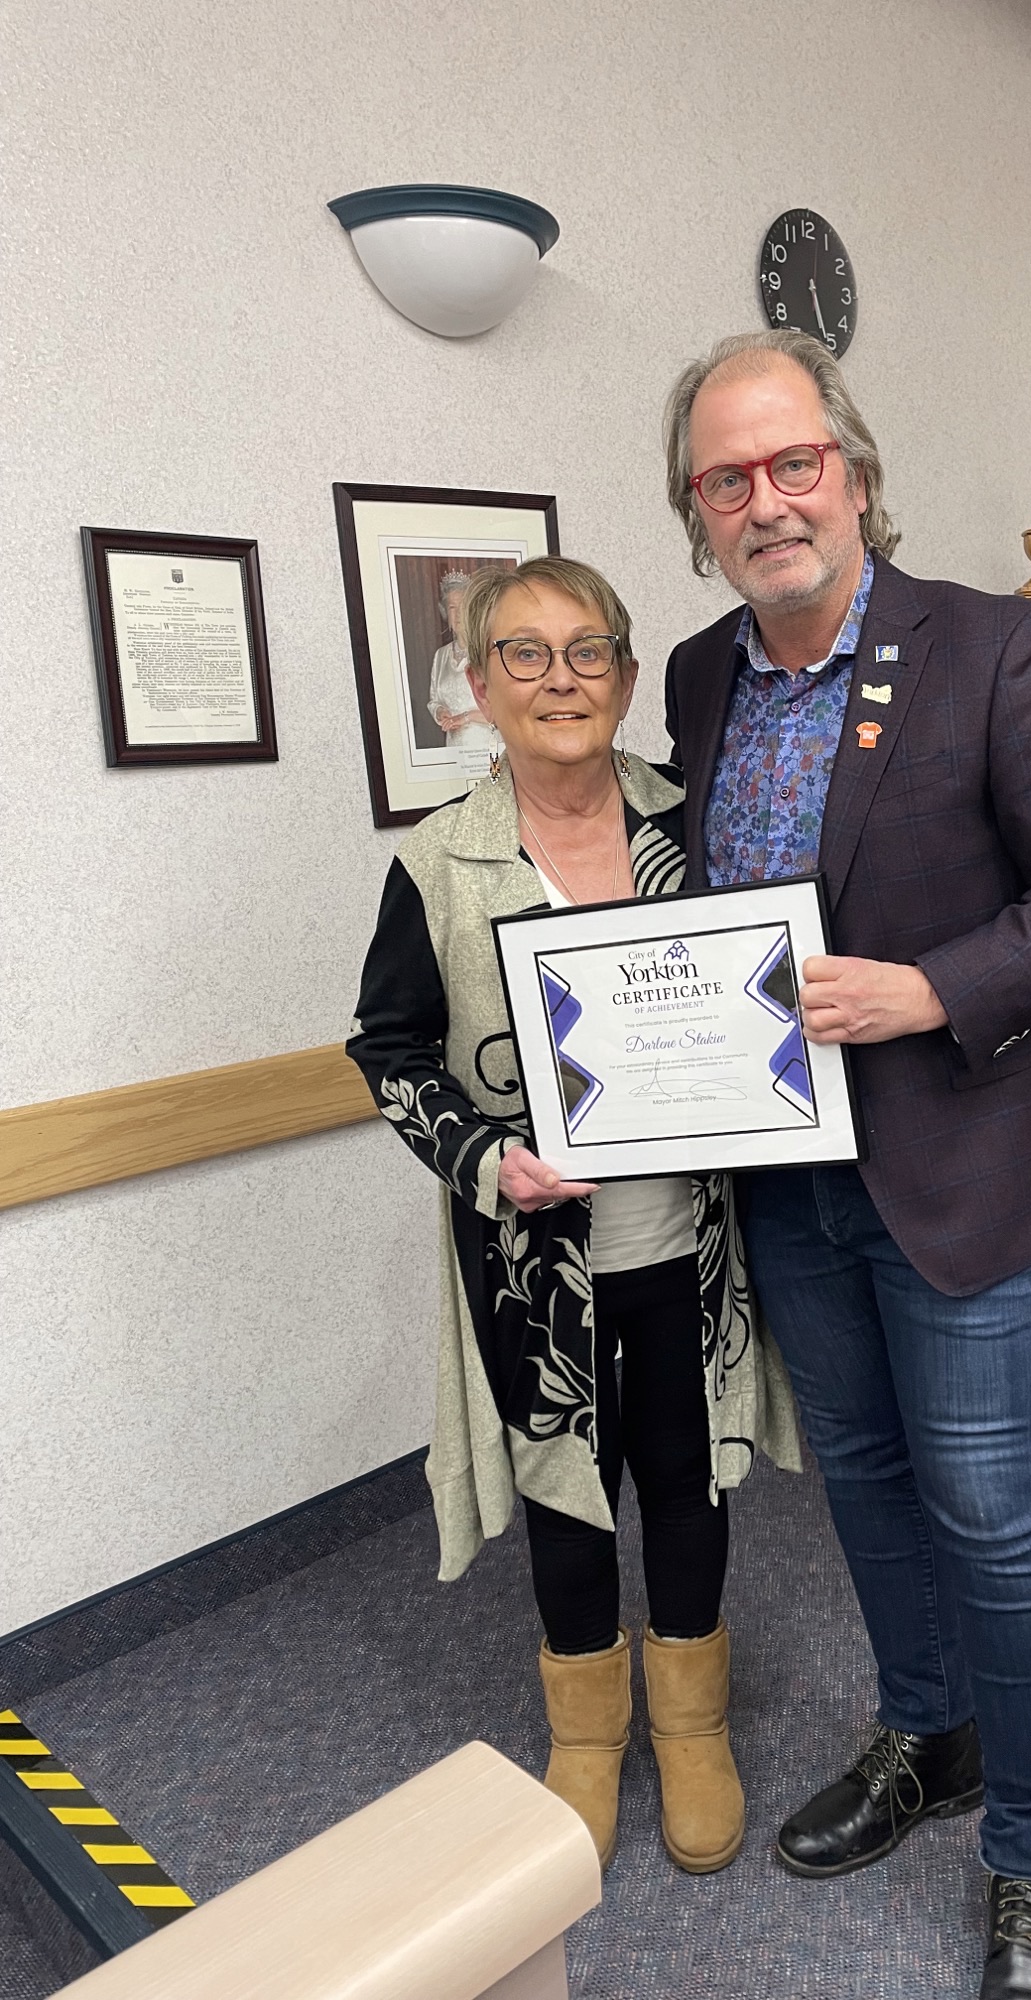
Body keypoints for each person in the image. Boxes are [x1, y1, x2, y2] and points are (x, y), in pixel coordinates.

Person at [660, 331, 1031, 2000]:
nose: (766, 499)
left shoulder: (1000, 649)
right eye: (727, 478)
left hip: (965, 1168)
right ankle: (928, 1738)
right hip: (789, 1178)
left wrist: (935, 986)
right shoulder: (698, 678)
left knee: (1000, 1517)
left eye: (793, 462)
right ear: (697, 515)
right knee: (866, 1490)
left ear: (856, 474)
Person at [348, 554, 799, 1875]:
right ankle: (589, 1741)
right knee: (569, 1494)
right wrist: (491, 1161)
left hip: (691, 1246)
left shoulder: (695, 819)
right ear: (480, 689)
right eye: (526, 656)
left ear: (623, 669)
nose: (560, 679)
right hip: (535, 1263)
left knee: (687, 1479)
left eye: (587, 649)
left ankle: (695, 1724)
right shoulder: (438, 863)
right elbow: (390, 1052)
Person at [426, 569, 488, 751]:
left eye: (463, 606)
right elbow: (434, 700)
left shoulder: (487, 651)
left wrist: (466, 717)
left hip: (487, 748)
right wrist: (440, 713)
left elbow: (504, 711)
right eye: (452, 607)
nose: (459, 613)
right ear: (445, 612)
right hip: (454, 748)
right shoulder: (440, 655)